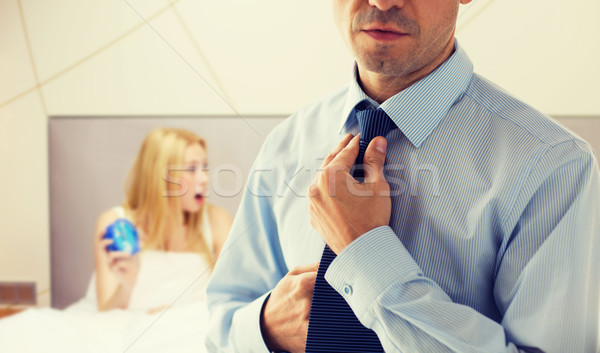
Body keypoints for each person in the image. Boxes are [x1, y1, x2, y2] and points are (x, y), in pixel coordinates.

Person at [206, 1, 600, 352]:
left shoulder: (554, 167)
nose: (382, 1)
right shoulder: (285, 142)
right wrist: (264, 328)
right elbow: (220, 326)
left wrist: (365, 251)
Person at [94, 127, 233, 312]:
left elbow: (233, 300)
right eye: (192, 169)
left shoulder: (217, 220)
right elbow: (105, 315)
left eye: (205, 168)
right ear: (160, 176)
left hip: (193, 331)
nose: (205, 178)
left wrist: (176, 317)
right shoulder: (115, 224)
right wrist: (127, 285)